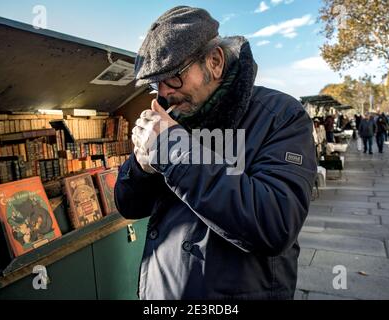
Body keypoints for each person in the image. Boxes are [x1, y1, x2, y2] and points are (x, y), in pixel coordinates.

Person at [114, 6, 317, 300]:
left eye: (173, 76)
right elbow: (128, 206)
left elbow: (275, 223)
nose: (165, 92)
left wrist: (172, 148)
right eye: (155, 83)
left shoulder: (280, 115)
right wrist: (142, 166)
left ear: (215, 61)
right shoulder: (178, 116)